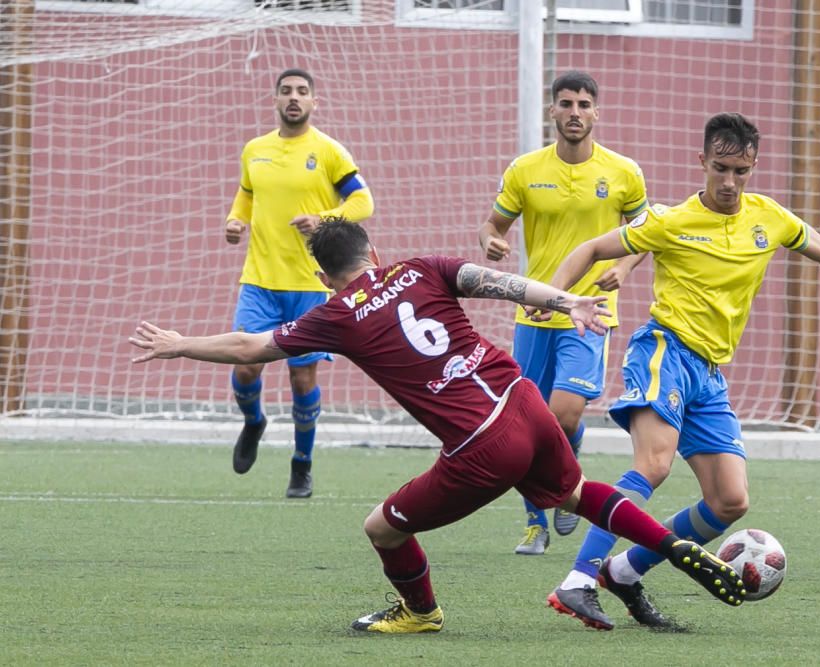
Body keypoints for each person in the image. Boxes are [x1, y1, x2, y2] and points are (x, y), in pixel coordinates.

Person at [129, 219, 746, 634]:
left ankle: (419, 612)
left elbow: (248, 346)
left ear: (322, 278)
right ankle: (670, 547)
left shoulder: (335, 315)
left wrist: (180, 344)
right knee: (576, 494)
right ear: (374, 253)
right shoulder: (421, 267)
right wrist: (566, 302)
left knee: (382, 528)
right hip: (522, 399)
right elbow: (497, 283)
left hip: (484, 445)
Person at [544, 112, 820, 630]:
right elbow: (592, 249)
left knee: (729, 501)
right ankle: (579, 580)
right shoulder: (670, 220)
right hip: (663, 351)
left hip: (710, 373)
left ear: (753, 167)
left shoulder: (770, 220)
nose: (728, 182)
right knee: (654, 465)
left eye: (740, 171)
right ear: (701, 161)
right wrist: (557, 298)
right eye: (720, 168)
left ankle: (624, 572)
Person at [478, 70, 649, 554]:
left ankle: (563, 484)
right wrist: (492, 241)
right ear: (552, 111)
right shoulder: (525, 170)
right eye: (566, 104)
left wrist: (625, 267)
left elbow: (646, 231)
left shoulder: (623, 172)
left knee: (564, 414)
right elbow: (494, 225)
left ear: (597, 112)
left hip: (590, 311)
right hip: (534, 312)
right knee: (526, 422)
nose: (575, 112)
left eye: (584, 104)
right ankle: (535, 521)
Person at [223, 68, 374, 498]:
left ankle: (302, 464)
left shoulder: (328, 151)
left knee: (302, 378)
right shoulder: (255, 150)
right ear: (275, 100)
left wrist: (323, 219)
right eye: (286, 91)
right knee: (246, 365)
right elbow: (247, 194)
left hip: (310, 285)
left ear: (314, 102)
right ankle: (253, 422)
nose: (294, 97)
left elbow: (364, 201)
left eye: (302, 92)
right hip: (260, 280)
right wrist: (237, 220)